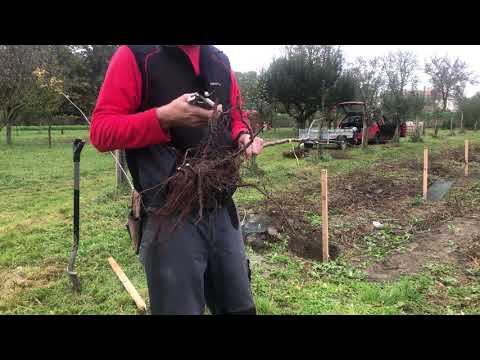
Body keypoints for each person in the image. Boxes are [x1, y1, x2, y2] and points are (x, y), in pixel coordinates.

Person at [90, 45, 264, 315]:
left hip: (221, 209)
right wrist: (163, 117)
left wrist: (242, 134)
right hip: (168, 216)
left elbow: (236, 116)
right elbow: (101, 132)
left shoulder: (219, 59)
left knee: (240, 308)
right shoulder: (136, 55)